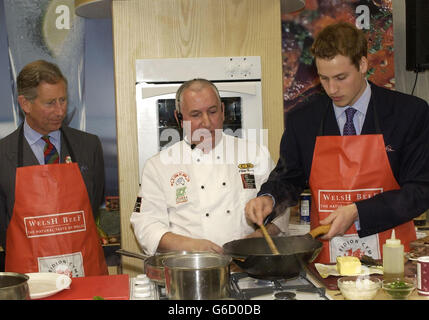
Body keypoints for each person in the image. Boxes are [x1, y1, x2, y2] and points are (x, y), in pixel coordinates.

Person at [245, 22, 429, 263]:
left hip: (392, 258)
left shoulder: (408, 113)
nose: (332, 89)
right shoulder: (303, 120)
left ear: (362, 65)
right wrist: (268, 198)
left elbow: (421, 190)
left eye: (341, 77)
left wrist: (358, 212)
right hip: (327, 261)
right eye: (324, 78)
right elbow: (289, 177)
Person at [130, 78, 289, 255]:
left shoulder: (255, 154)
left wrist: (255, 241)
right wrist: (191, 246)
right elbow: (146, 225)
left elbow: (281, 211)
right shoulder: (158, 166)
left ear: (222, 111)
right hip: (190, 270)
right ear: (179, 118)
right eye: (196, 115)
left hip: (248, 269)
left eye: (212, 112)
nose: (206, 122)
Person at [0, 60, 107, 276]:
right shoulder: (3, 155)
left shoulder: (88, 146)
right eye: (50, 103)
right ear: (25, 104)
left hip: (84, 269)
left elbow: (93, 203)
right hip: (29, 276)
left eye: (63, 100)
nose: (60, 111)